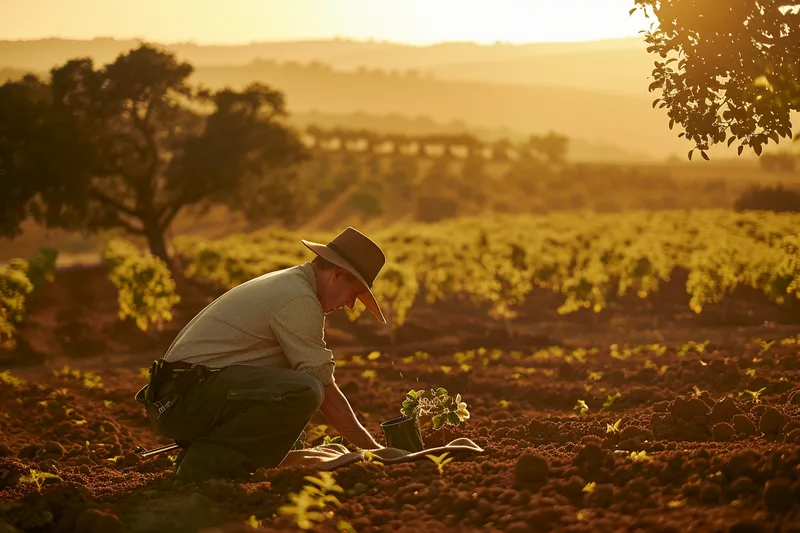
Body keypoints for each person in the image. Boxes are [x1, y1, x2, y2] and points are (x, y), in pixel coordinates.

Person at [135, 226, 388, 481]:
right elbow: (327, 395)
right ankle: (204, 467)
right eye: (353, 293)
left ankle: (210, 455)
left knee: (292, 381)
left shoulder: (292, 283)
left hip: (180, 397)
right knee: (306, 389)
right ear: (338, 274)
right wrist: (375, 452)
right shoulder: (298, 300)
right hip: (181, 401)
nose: (350, 304)